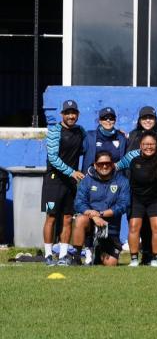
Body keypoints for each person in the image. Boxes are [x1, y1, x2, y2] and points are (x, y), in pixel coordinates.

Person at [116, 131, 157, 267]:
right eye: (145, 144)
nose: (149, 147)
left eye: (152, 144)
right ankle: (134, 259)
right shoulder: (132, 157)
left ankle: (155, 259)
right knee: (134, 227)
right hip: (136, 199)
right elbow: (114, 167)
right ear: (140, 145)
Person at [42, 100, 86, 266]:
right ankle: (48, 255)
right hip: (53, 180)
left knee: (68, 218)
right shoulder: (54, 131)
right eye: (67, 113)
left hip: (71, 182)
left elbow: (85, 148)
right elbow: (53, 158)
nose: (70, 116)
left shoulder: (80, 131)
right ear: (62, 114)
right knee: (51, 217)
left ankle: (62, 256)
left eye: (73, 113)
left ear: (77, 115)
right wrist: (72, 172)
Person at [125, 106, 157, 264]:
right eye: (144, 118)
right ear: (139, 120)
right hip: (135, 192)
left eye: (151, 117)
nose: (148, 120)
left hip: (156, 194)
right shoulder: (131, 136)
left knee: (155, 227)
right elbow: (125, 163)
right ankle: (137, 258)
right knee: (136, 226)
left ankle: (153, 256)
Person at [71, 151, 130, 266]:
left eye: (107, 163)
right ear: (95, 165)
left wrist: (100, 214)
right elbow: (78, 203)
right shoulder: (87, 181)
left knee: (111, 263)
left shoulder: (122, 181)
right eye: (100, 164)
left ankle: (97, 251)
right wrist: (93, 216)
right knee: (80, 219)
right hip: (90, 223)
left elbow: (123, 205)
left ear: (113, 164)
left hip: (110, 228)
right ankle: (77, 257)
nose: (104, 166)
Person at [82, 107, 127, 172]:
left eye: (111, 118)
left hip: (115, 179)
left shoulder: (122, 138)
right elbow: (74, 151)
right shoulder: (89, 137)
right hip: (92, 178)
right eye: (104, 118)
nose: (108, 120)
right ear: (99, 121)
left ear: (115, 121)